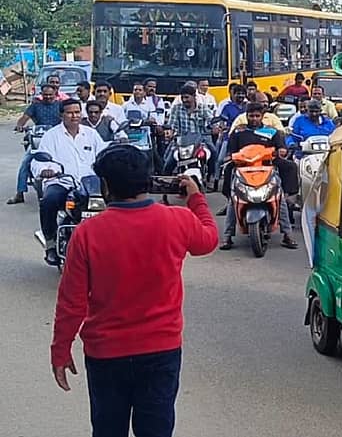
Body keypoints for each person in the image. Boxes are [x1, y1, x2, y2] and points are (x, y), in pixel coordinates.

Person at [50, 145, 218, 437]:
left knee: (107, 428)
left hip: (106, 354)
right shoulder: (177, 219)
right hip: (161, 350)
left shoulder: (87, 233)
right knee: (156, 429)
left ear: (105, 185)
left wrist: (60, 349)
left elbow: (71, 303)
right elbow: (208, 240)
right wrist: (196, 199)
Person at [32, 99, 108, 265]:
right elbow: (37, 161)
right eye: (70, 112)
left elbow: (103, 155)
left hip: (90, 184)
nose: (74, 116)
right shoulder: (51, 136)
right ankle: (51, 245)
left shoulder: (91, 134)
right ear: (62, 115)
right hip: (62, 183)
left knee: (114, 203)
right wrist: (45, 170)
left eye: (77, 112)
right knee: (48, 201)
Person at [221, 103, 299, 250]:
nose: (254, 119)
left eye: (257, 116)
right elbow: (230, 152)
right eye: (251, 116)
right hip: (243, 169)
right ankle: (227, 237)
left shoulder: (272, 132)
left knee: (279, 197)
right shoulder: (238, 133)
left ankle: (287, 235)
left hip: (267, 168)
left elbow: (281, 147)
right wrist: (229, 157)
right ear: (247, 116)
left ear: (262, 116)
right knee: (234, 198)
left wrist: (281, 150)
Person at [8, 84, 64, 204]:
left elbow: (66, 118)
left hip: (57, 139)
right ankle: (20, 193)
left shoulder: (60, 106)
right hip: (38, 140)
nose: (48, 97)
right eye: (45, 95)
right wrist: (19, 125)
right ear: (41, 95)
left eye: (50, 94)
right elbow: (24, 117)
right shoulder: (35, 106)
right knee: (25, 163)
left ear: (55, 94)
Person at [164, 84, 214, 174]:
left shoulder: (202, 108)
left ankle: (212, 176)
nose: (184, 100)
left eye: (187, 97)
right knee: (168, 162)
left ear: (194, 96)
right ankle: (166, 180)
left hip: (200, 141)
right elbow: (172, 125)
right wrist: (170, 132)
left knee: (213, 152)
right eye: (182, 98)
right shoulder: (177, 108)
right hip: (181, 141)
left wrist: (214, 128)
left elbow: (211, 121)